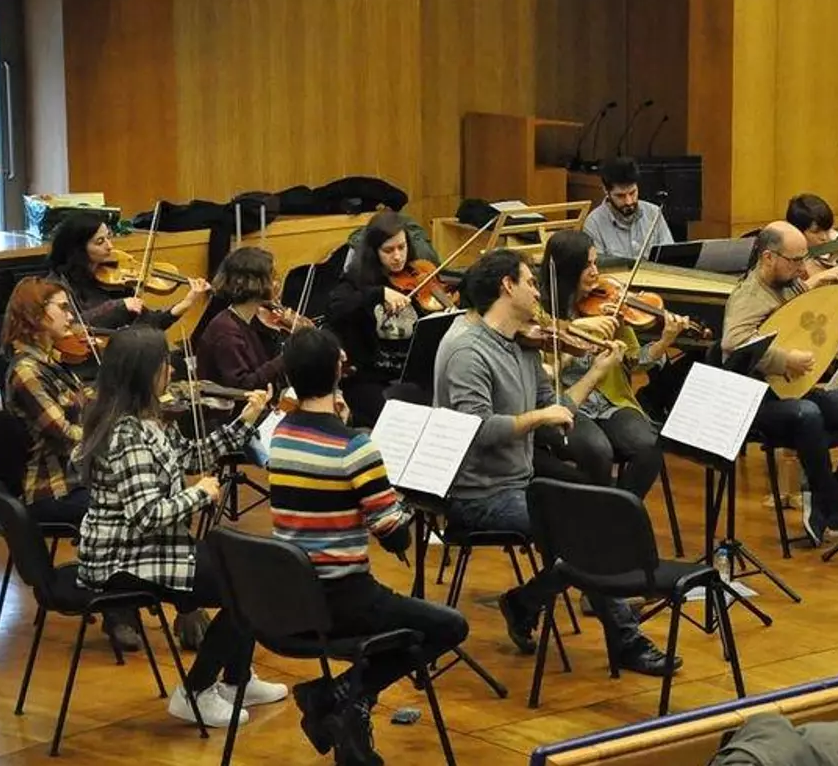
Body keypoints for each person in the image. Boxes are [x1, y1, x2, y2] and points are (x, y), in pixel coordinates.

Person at [433, 249, 678, 676]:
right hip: (477, 494)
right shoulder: (466, 350)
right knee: (581, 532)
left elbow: (557, 408)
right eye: (530, 283)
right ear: (507, 286)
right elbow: (477, 430)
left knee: (593, 516)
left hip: (519, 480)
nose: (537, 293)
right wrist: (538, 418)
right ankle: (625, 640)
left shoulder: (523, 341)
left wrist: (596, 372)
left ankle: (524, 601)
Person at [270, 327, 468, 766]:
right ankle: (338, 693)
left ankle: (348, 705)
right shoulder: (355, 448)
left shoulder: (281, 434)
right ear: (338, 370)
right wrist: (398, 502)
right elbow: (395, 537)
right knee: (448, 627)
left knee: (407, 626)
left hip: (288, 599)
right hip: (343, 600)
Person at [74, 326, 286, 728]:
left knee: (248, 569)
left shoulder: (152, 420)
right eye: (164, 364)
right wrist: (199, 494)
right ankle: (196, 691)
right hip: (124, 559)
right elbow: (145, 515)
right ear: (145, 373)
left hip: (153, 545)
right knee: (245, 586)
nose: (171, 371)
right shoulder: (125, 435)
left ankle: (237, 680)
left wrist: (246, 421)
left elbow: (191, 456)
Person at [721, 221, 838, 544]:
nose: (802, 267)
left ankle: (824, 505)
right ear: (768, 257)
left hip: (797, 390)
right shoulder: (749, 296)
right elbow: (734, 344)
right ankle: (836, 510)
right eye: (795, 260)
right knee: (808, 414)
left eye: (804, 259)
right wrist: (784, 360)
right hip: (758, 399)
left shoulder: (791, 285)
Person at [0, 276, 140, 651]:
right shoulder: (27, 371)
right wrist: (113, 433)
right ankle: (119, 608)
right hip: (52, 488)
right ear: (35, 315)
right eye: (62, 308)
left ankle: (140, 597)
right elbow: (65, 433)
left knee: (148, 494)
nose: (71, 316)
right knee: (125, 510)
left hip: (77, 477)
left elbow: (84, 407)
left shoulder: (51, 362)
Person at [540, 229, 683, 498]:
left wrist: (664, 341)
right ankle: (597, 510)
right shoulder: (543, 315)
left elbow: (635, 362)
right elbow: (543, 370)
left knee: (649, 446)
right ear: (568, 270)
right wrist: (578, 334)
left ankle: (619, 510)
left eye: (596, 262)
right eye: (587, 265)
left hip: (610, 402)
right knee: (598, 451)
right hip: (569, 404)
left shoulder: (609, 307)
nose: (596, 272)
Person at [327, 211, 437, 427]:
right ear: (373, 251)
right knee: (397, 422)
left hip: (412, 376)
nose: (397, 256)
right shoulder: (356, 281)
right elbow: (335, 308)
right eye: (388, 250)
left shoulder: (418, 277)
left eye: (402, 247)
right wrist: (379, 293)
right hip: (370, 379)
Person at [46, 213, 210, 334]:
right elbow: (73, 325)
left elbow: (150, 324)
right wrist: (119, 306)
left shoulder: (115, 280)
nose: (110, 246)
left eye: (109, 238)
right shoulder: (58, 285)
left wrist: (185, 303)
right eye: (100, 242)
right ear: (78, 248)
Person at [197, 246, 304, 391]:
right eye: (272, 277)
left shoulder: (245, 320)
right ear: (253, 283)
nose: (277, 283)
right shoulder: (227, 331)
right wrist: (287, 356)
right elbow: (242, 385)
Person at [581, 156, 675, 260]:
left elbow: (670, 258)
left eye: (632, 193)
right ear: (606, 190)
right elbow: (597, 266)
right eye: (620, 196)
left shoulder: (653, 212)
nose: (629, 202)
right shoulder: (594, 223)